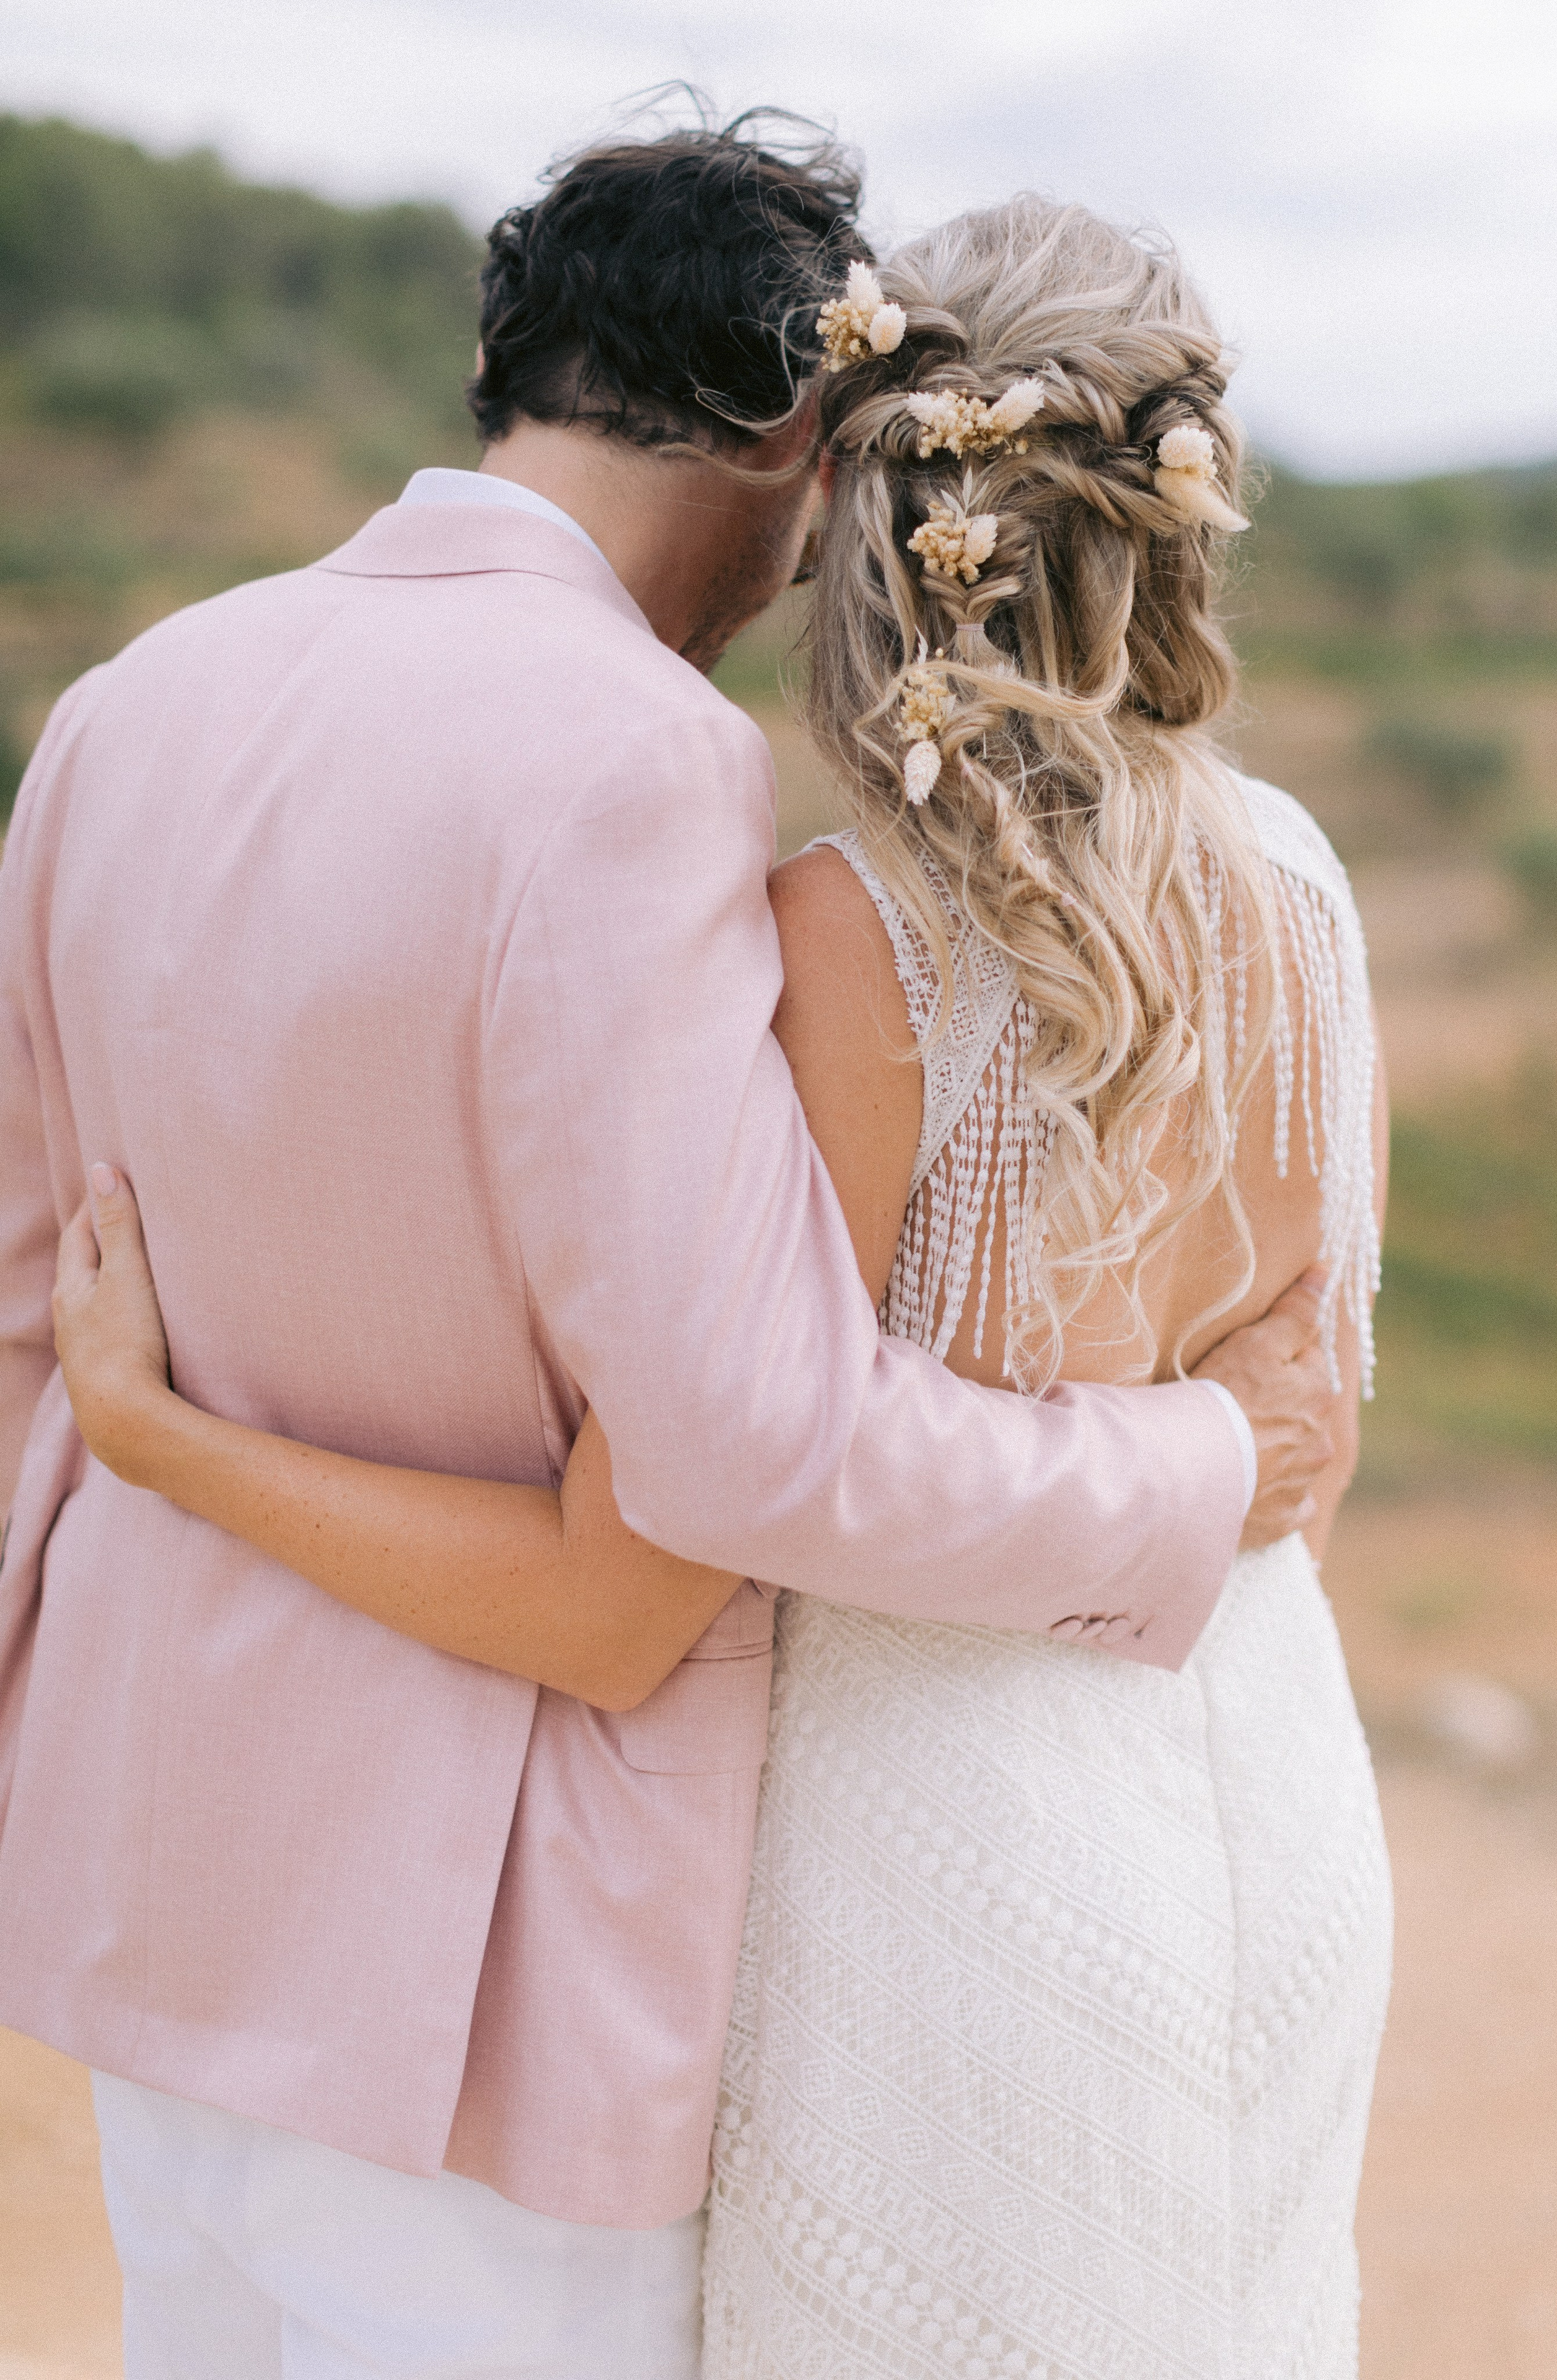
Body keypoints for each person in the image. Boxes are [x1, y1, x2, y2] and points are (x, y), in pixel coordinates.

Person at [1, 119, 1336, 2380]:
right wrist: (1196, 1470)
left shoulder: (125, 708)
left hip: (155, 1898)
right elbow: (747, 1444)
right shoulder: (638, 761)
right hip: (468, 1984)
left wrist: (128, 1499)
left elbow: (36, 1292)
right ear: (792, 433)